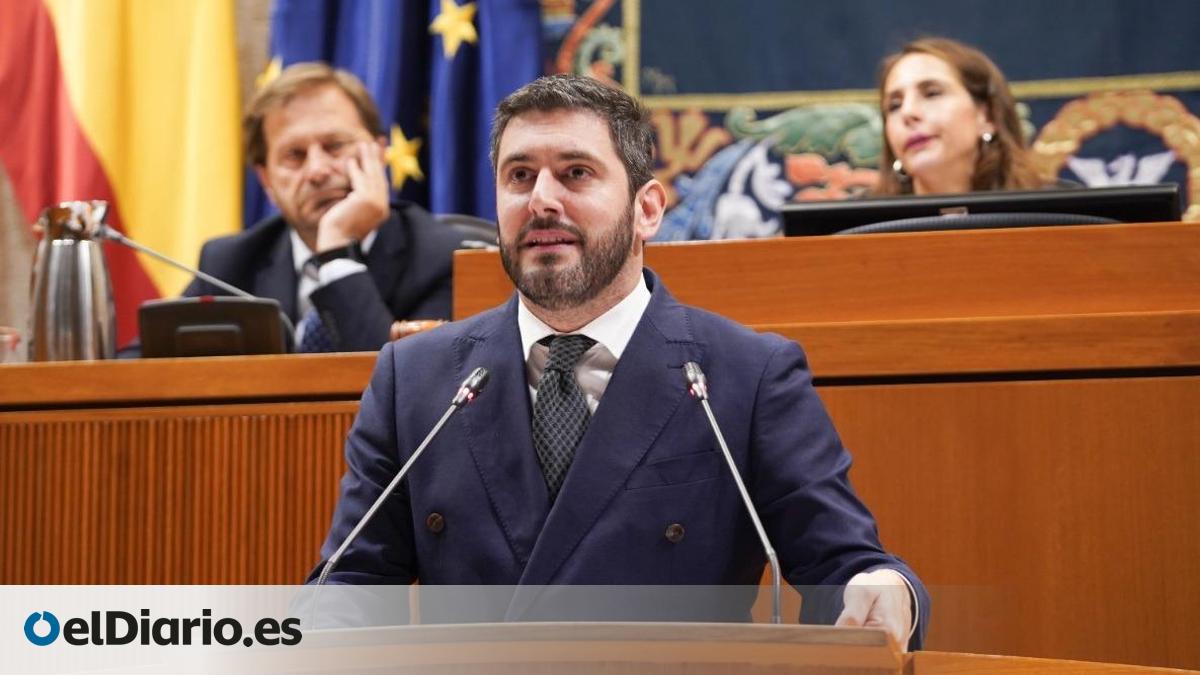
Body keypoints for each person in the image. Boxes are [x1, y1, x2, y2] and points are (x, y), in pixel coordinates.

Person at [312, 74, 930, 650]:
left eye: (576, 173)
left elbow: (845, 565)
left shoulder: (746, 375)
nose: (541, 200)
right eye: (519, 176)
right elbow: (349, 585)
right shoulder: (415, 379)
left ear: (647, 210)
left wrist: (881, 590)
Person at [183, 63, 466, 352]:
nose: (317, 170)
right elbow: (155, 366)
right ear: (266, 179)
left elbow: (402, 376)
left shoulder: (447, 260)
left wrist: (335, 256)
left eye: (335, 146)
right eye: (295, 155)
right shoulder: (229, 265)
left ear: (380, 153)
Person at [875, 37, 1046, 196]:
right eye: (894, 106)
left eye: (932, 94)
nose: (907, 112)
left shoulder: (1052, 209)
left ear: (987, 116)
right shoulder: (864, 217)